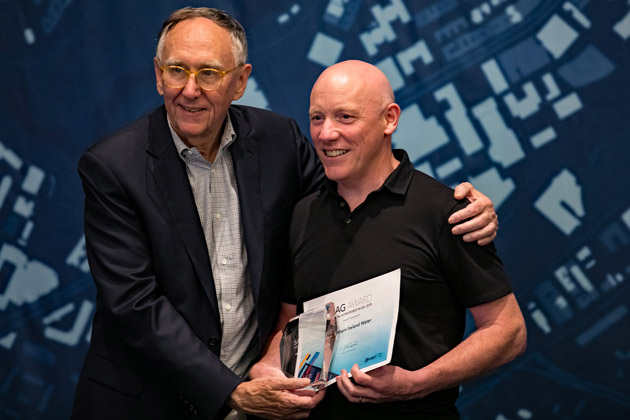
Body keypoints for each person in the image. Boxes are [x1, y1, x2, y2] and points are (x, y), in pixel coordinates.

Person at [72, 7, 500, 420]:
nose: (189, 89)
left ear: (240, 81)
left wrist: (458, 205)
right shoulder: (113, 166)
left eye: (209, 73)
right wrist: (232, 392)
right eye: (176, 70)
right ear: (157, 74)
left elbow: (347, 203)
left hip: (267, 399)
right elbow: (134, 304)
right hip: (148, 402)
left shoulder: (279, 141)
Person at [250, 60, 527, 419]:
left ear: (389, 119)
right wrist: (269, 370)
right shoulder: (303, 215)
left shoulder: (448, 211)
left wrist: (418, 383)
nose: (326, 133)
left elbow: (508, 330)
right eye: (317, 118)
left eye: (345, 117)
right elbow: (290, 325)